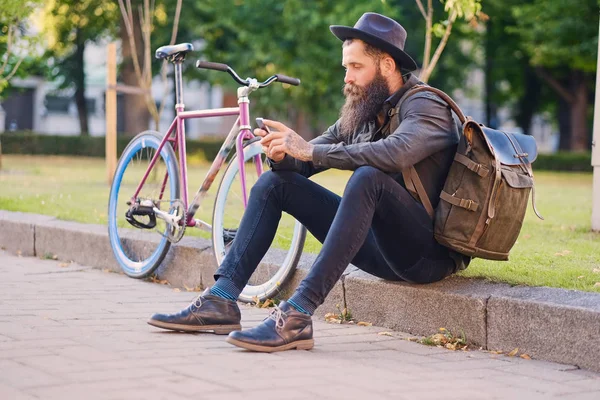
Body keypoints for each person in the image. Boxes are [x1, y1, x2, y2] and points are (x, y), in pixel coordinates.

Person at [148, 12, 468, 352]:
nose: (347, 77)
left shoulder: (427, 106)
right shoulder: (364, 111)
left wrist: (309, 152)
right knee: (274, 184)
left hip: (426, 255)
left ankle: (298, 314)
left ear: (387, 65)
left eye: (356, 67)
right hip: (381, 248)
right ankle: (221, 300)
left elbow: (395, 153)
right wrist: (283, 153)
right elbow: (304, 163)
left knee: (368, 178)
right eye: (346, 67)